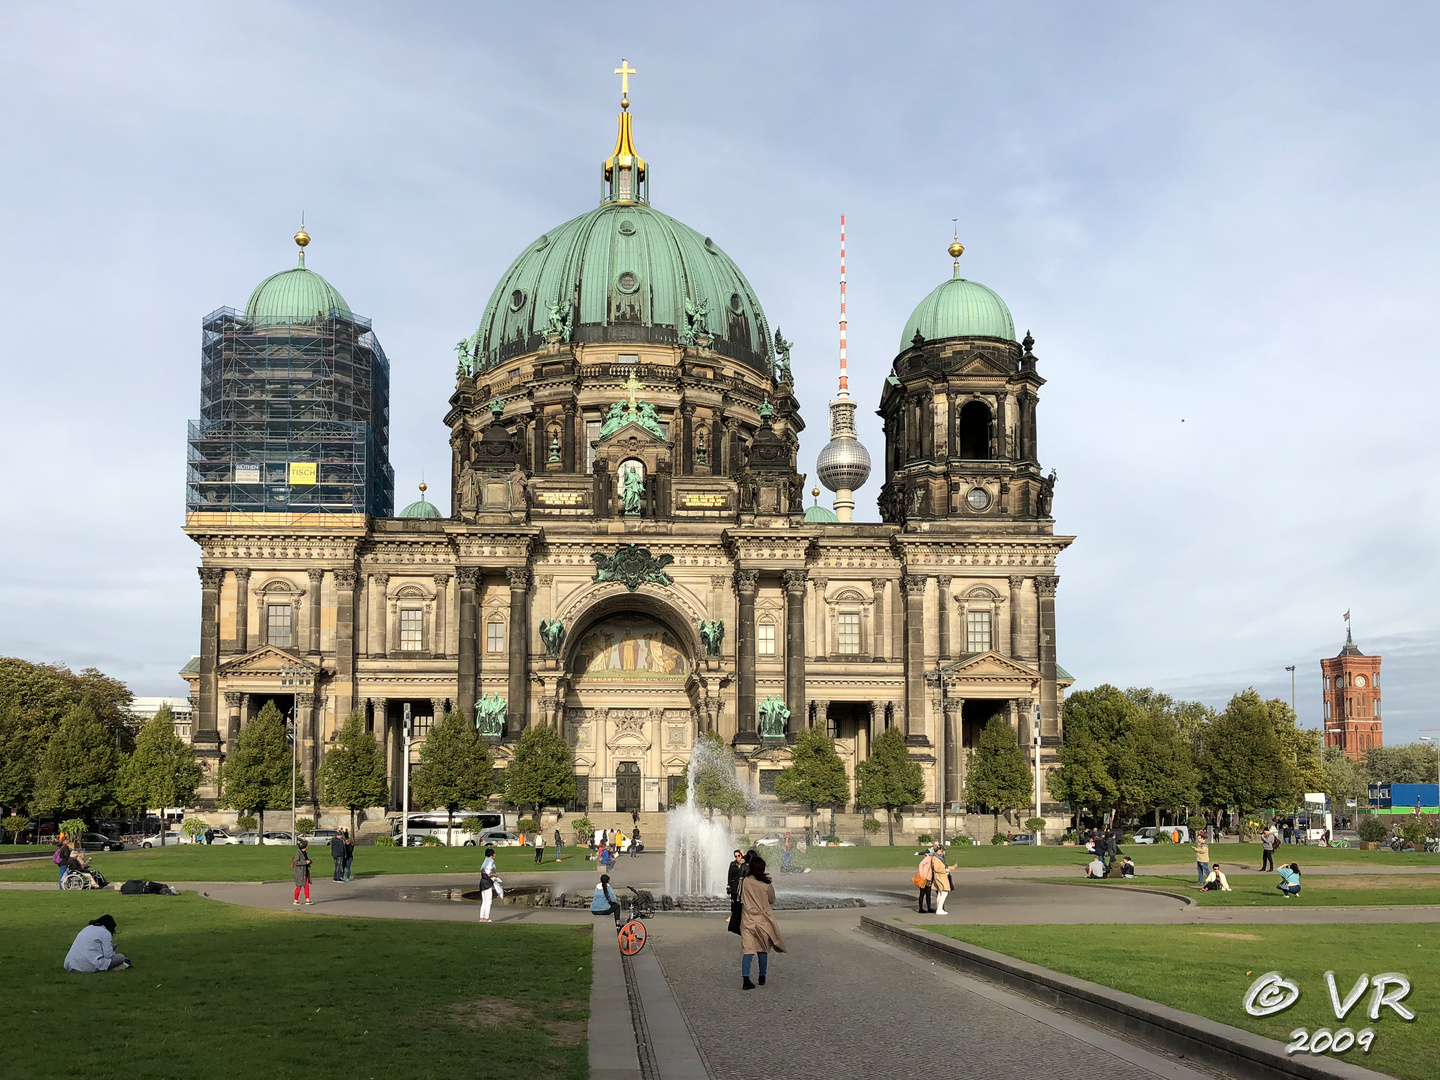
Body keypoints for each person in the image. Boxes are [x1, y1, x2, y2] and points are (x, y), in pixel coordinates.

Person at [739, 853, 785, 989]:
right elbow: (772, 899)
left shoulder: (745, 882)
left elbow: (740, 895)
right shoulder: (766, 884)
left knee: (747, 949)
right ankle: (762, 976)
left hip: (748, 918)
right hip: (763, 919)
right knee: (763, 949)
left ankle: (745, 978)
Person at [64, 915, 129, 972]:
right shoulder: (106, 933)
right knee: (121, 957)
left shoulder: (87, 928)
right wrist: (112, 949)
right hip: (89, 964)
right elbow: (108, 955)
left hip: (70, 964)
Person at [930, 845, 953, 915]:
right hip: (940, 876)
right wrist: (945, 870)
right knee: (944, 892)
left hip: (941, 876)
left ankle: (939, 908)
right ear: (939, 851)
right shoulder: (935, 858)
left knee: (940, 893)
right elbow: (937, 868)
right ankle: (939, 909)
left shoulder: (938, 858)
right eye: (943, 851)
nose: (944, 853)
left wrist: (952, 868)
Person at [479, 846, 499, 922]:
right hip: (487, 883)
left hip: (482, 882)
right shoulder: (490, 861)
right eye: (494, 854)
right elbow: (489, 874)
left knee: (484, 901)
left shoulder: (485, 861)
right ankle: (486, 918)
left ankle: (482, 918)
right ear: (492, 855)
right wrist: (495, 875)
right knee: (488, 901)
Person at [291, 839, 312, 906]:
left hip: (305, 871)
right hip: (299, 872)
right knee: (299, 886)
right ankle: (295, 900)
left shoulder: (304, 853)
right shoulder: (298, 853)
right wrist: (305, 862)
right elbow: (296, 862)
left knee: (306, 886)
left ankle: (307, 899)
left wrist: (309, 862)